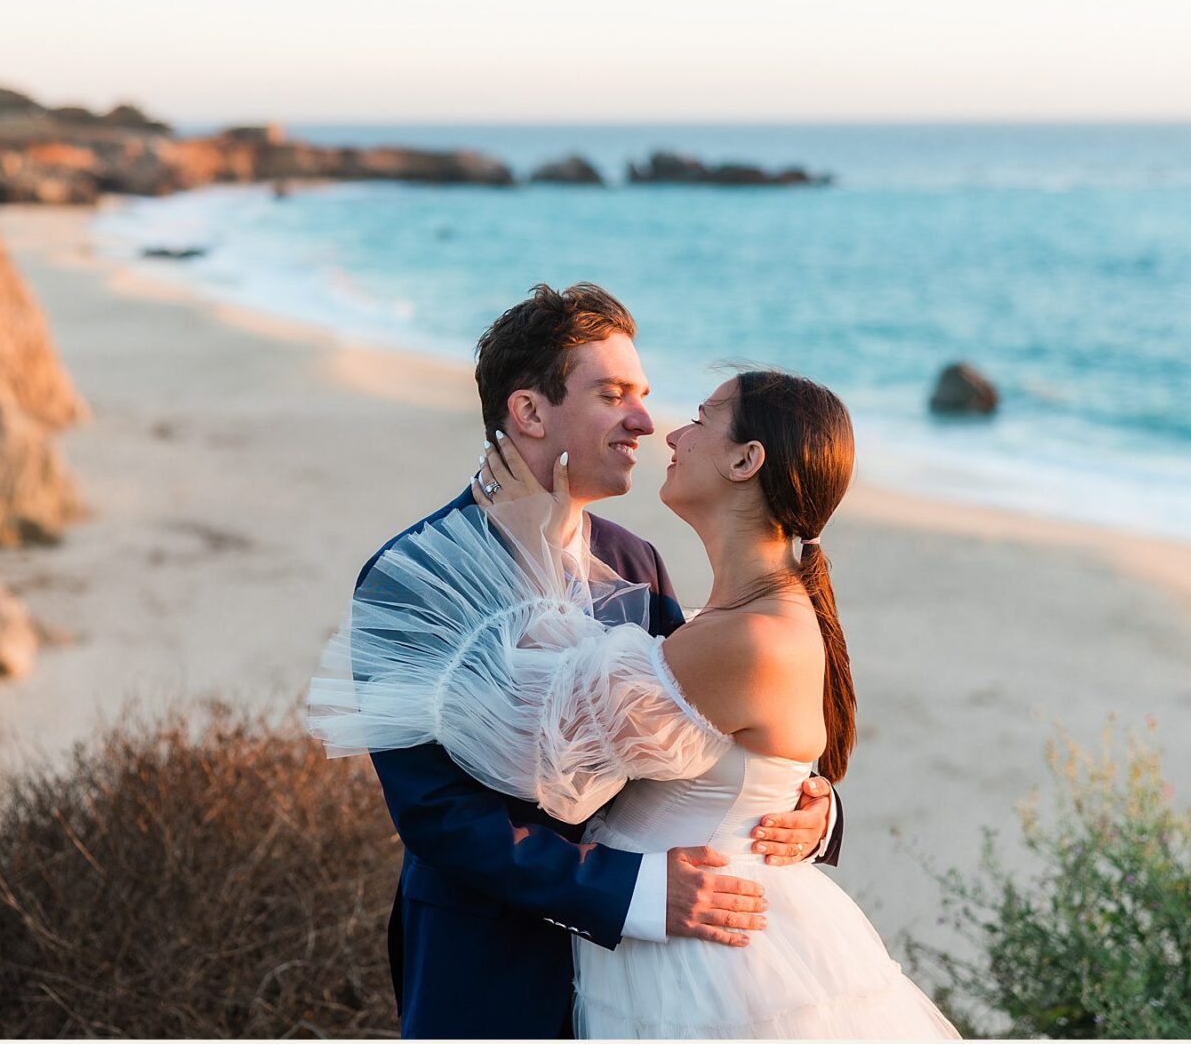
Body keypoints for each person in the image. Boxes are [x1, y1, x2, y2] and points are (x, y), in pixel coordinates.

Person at [310, 367, 960, 1038]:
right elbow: (441, 807)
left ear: (747, 459)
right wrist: (796, 798)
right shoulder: (415, 572)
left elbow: (561, 731)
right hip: (494, 970)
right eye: (613, 395)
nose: (655, 426)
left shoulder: (654, 574)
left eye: (690, 414)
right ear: (530, 411)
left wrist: (538, 552)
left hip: (699, 972)